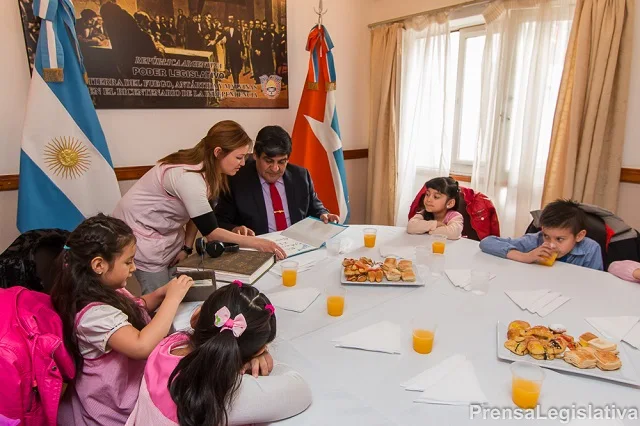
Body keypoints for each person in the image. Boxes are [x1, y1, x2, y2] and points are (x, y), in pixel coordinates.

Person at [51, 214, 195, 425]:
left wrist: (160, 293)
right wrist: (172, 300)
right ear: (99, 265)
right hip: (109, 406)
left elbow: (136, 305)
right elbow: (140, 344)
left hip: (127, 387)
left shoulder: (109, 290)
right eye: (128, 262)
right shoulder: (92, 316)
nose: (134, 268)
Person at [113, 121, 285, 294]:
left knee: (178, 293)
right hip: (142, 235)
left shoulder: (211, 172)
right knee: (159, 298)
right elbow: (211, 231)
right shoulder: (188, 177)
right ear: (218, 152)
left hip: (165, 234)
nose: (242, 163)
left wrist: (186, 248)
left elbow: (197, 215)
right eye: (239, 157)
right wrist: (258, 243)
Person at [125, 283, 312, 426]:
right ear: (259, 349)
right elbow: (301, 391)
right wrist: (264, 356)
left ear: (197, 317)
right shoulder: (222, 389)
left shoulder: (171, 342)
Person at [215, 125, 340, 236]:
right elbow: (219, 222)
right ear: (255, 156)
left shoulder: (301, 176)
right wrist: (235, 229)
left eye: (281, 162)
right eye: (268, 161)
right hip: (258, 251)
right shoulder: (235, 179)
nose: (275, 169)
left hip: (298, 247)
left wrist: (324, 215)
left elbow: (316, 208)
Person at [480, 199, 603, 270]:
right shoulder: (535, 240)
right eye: (546, 236)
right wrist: (525, 256)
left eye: (560, 239)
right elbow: (487, 242)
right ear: (542, 229)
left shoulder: (591, 249)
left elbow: (595, 283)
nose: (551, 245)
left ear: (579, 236)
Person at [225, 15, 245, 89]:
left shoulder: (237, 31)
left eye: (231, 19)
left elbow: (241, 42)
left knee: (237, 68)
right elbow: (220, 36)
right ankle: (236, 84)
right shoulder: (226, 30)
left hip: (236, 52)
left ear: (234, 20)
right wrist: (214, 41)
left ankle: (236, 84)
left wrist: (243, 52)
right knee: (233, 68)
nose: (230, 21)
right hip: (229, 52)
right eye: (229, 19)